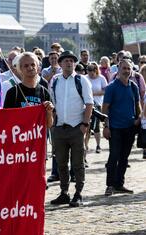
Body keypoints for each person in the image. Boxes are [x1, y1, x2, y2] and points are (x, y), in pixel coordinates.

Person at [0, 52, 54, 235]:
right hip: (15, 157)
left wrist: (48, 112)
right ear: (20, 69)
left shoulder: (44, 92)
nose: (30, 68)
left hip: (37, 157)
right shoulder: (13, 93)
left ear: (38, 67)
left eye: (33, 65)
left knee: (35, 202)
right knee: (12, 201)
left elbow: (50, 125)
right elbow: (6, 123)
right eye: (26, 66)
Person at [49, 50, 94, 208]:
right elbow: (52, 104)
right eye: (66, 60)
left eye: (71, 60)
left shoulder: (82, 80)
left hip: (77, 128)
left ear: (75, 63)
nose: (69, 63)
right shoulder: (55, 81)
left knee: (77, 164)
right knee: (61, 163)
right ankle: (64, 193)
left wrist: (85, 125)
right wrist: (53, 126)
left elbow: (89, 103)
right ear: (60, 63)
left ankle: (78, 193)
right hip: (60, 128)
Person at [102, 59, 142, 196]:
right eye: (123, 68)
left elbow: (137, 105)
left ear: (131, 70)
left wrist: (139, 119)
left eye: (128, 68)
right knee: (114, 156)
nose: (126, 70)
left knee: (124, 157)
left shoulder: (133, 87)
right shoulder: (111, 87)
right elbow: (105, 109)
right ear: (118, 70)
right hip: (115, 128)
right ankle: (110, 185)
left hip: (130, 127)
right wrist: (106, 126)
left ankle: (119, 184)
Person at [85, 62, 107, 154]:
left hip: (97, 104)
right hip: (87, 104)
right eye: (88, 70)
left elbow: (105, 90)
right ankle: (86, 145)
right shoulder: (85, 78)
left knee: (96, 126)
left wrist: (93, 94)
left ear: (96, 70)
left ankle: (98, 145)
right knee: (88, 126)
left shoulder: (101, 78)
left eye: (92, 70)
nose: (90, 72)